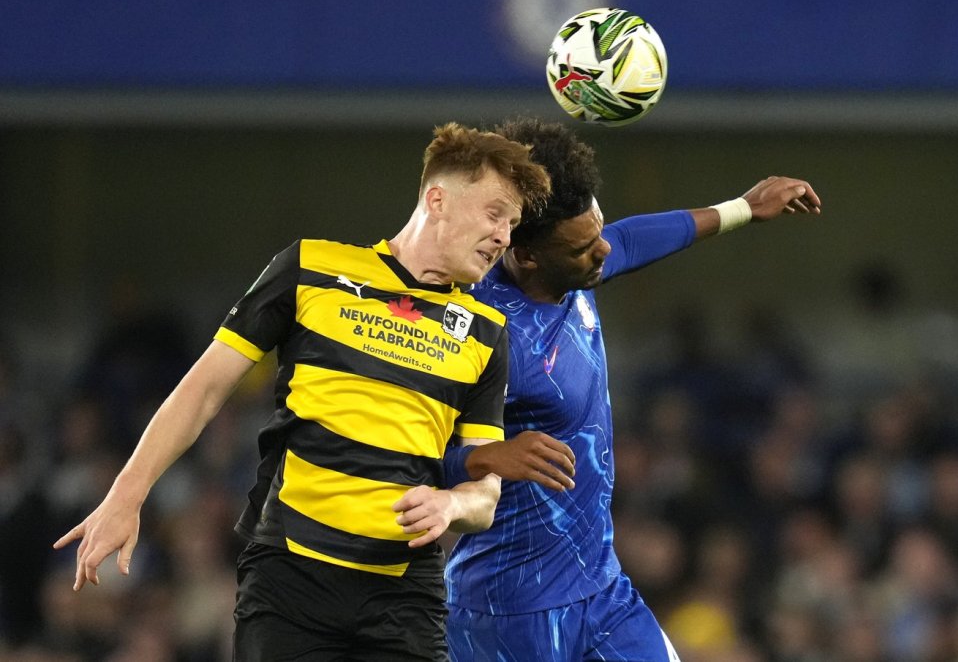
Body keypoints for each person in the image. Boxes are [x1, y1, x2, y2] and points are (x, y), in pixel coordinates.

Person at [53, 121, 555, 661]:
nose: (504, 237)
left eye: (512, 224)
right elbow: (203, 389)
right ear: (438, 200)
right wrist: (127, 494)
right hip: (290, 580)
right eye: (495, 214)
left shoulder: (485, 332)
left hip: (404, 593)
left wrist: (452, 503)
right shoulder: (311, 269)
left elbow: (485, 492)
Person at [442, 117, 822, 662]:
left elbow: (627, 239)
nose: (601, 251)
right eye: (582, 247)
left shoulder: (575, 266)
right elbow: (400, 461)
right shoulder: (475, 331)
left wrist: (742, 208)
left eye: (597, 231)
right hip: (507, 611)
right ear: (525, 255)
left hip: (601, 590)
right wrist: (483, 458)